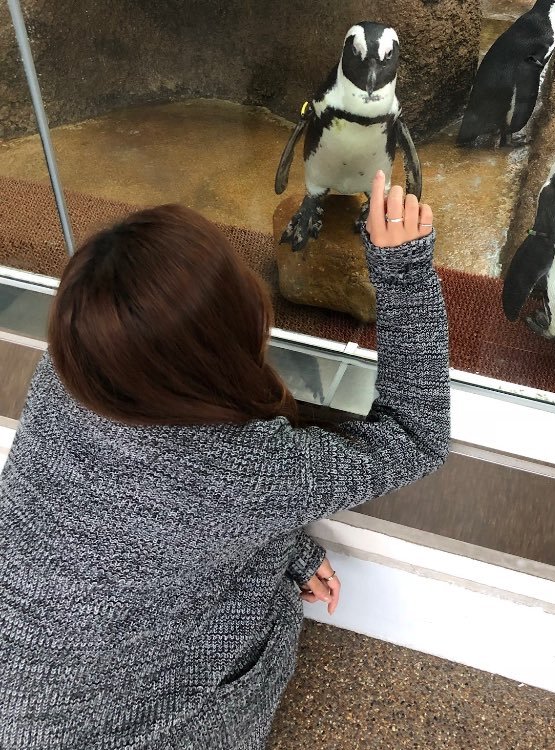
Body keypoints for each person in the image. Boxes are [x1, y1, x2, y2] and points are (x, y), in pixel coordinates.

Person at [0, 170, 450, 749]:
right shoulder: (249, 470)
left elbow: (139, 533)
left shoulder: (69, 376)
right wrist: (405, 271)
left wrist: (280, 543)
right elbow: (417, 436)